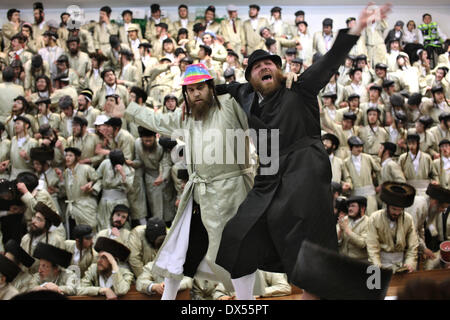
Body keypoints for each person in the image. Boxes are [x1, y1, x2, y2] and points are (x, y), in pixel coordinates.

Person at [214, 4, 392, 300]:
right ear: (251, 78)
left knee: (310, 244)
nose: (264, 68)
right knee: (238, 233)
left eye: (270, 64)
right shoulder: (245, 93)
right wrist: (197, 93)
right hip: (269, 176)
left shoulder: (300, 88)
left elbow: (331, 60)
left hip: (305, 170)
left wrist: (356, 29)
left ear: (280, 69)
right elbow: (224, 87)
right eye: (257, 67)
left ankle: (364, 290)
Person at [123, 63, 259, 300]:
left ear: (210, 88)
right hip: (199, 195)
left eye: (200, 88)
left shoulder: (230, 105)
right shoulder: (186, 115)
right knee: (179, 248)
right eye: (190, 90)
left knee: (239, 253)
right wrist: (128, 109)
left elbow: (257, 99)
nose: (196, 94)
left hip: (233, 194)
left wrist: (233, 88)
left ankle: (246, 303)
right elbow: (158, 122)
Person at [366, 181, 419, 273]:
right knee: (377, 286)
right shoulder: (374, 218)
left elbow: (413, 246)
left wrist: (410, 264)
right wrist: (377, 267)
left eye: (400, 210)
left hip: (402, 265)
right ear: (387, 206)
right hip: (380, 263)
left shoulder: (408, 219)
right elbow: (372, 246)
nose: (397, 213)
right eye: (394, 209)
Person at [58, 147, 99, 235]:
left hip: (86, 205)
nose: (67, 158)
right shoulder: (66, 173)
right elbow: (65, 192)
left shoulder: (86, 169)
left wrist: (91, 186)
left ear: (77, 158)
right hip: (71, 208)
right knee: (74, 234)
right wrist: (61, 179)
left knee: (90, 232)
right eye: (66, 155)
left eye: (70, 155)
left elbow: (99, 180)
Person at [93, 150, 134, 231]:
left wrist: (123, 174)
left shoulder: (129, 169)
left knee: (121, 226)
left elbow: (129, 187)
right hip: (105, 201)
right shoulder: (105, 163)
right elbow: (97, 177)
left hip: (120, 201)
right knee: (103, 224)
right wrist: (93, 185)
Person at [20, 201, 65, 273]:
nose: (34, 221)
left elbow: (59, 269)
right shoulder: (26, 238)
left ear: (46, 225)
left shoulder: (56, 240)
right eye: (34, 217)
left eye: (39, 219)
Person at [344, 136, 380, 215]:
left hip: (369, 194)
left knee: (372, 216)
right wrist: (349, 185)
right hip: (355, 194)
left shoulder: (368, 158)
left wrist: (380, 184)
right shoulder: (346, 162)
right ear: (351, 148)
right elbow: (347, 177)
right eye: (356, 147)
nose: (359, 149)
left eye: (360, 146)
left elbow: (378, 171)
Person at [337, 196, 369, 262]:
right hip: (343, 259)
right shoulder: (344, 219)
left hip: (360, 262)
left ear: (362, 208)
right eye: (349, 206)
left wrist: (347, 230)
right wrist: (340, 231)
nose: (349, 209)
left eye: (353, 206)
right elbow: (336, 242)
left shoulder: (368, 222)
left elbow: (362, 244)